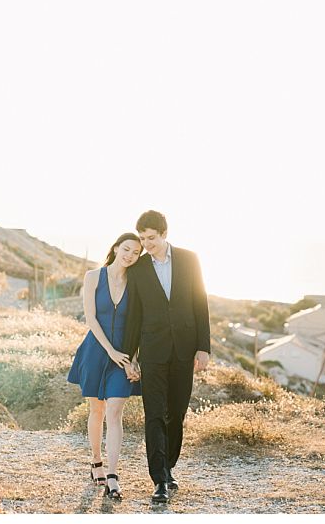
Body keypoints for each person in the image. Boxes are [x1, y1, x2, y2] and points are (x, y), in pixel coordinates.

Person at [121, 210, 210, 504]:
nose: (147, 244)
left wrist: (203, 346)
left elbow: (200, 303)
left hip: (185, 349)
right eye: (143, 239)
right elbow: (134, 317)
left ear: (164, 234)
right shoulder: (138, 270)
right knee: (155, 414)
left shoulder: (189, 259)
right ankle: (159, 479)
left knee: (177, 413)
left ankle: (169, 468)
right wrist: (129, 356)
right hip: (153, 353)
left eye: (151, 238)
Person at [66, 232, 143, 500]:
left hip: (124, 357)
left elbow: (140, 325)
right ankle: (96, 461)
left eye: (136, 253)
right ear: (116, 247)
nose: (130, 256)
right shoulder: (93, 277)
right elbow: (91, 318)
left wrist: (134, 358)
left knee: (115, 409)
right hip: (97, 351)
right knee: (96, 409)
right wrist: (110, 351)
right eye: (127, 249)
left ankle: (112, 474)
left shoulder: (137, 283)